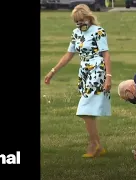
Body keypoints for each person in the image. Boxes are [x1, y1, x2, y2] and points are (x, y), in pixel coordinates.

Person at [44, 4, 112, 158]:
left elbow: (106, 54)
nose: (80, 25)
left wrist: (108, 77)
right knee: (89, 111)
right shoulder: (75, 34)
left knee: (84, 109)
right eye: (77, 22)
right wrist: (52, 71)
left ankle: (94, 144)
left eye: (82, 21)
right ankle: (98, 146)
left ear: (88, 17)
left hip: (97, 71)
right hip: (84, 73)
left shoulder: (98, 32)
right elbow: (69, 55)